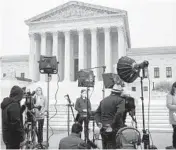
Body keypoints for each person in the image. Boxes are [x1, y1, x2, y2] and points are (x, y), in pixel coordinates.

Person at [94, 84, 126, 149]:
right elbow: (119, 113)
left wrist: (98, 122)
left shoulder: (104, 100)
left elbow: (97, 113)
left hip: (103, 127)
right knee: (115, 146)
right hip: (115, 128)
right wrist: (111, 125)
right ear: (119, 92)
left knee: (105, 146)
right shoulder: (121, 100)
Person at [166, 82, 176, 149]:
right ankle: (174, 145)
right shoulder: (170, 94)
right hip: (174, 116)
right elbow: (169, 105)